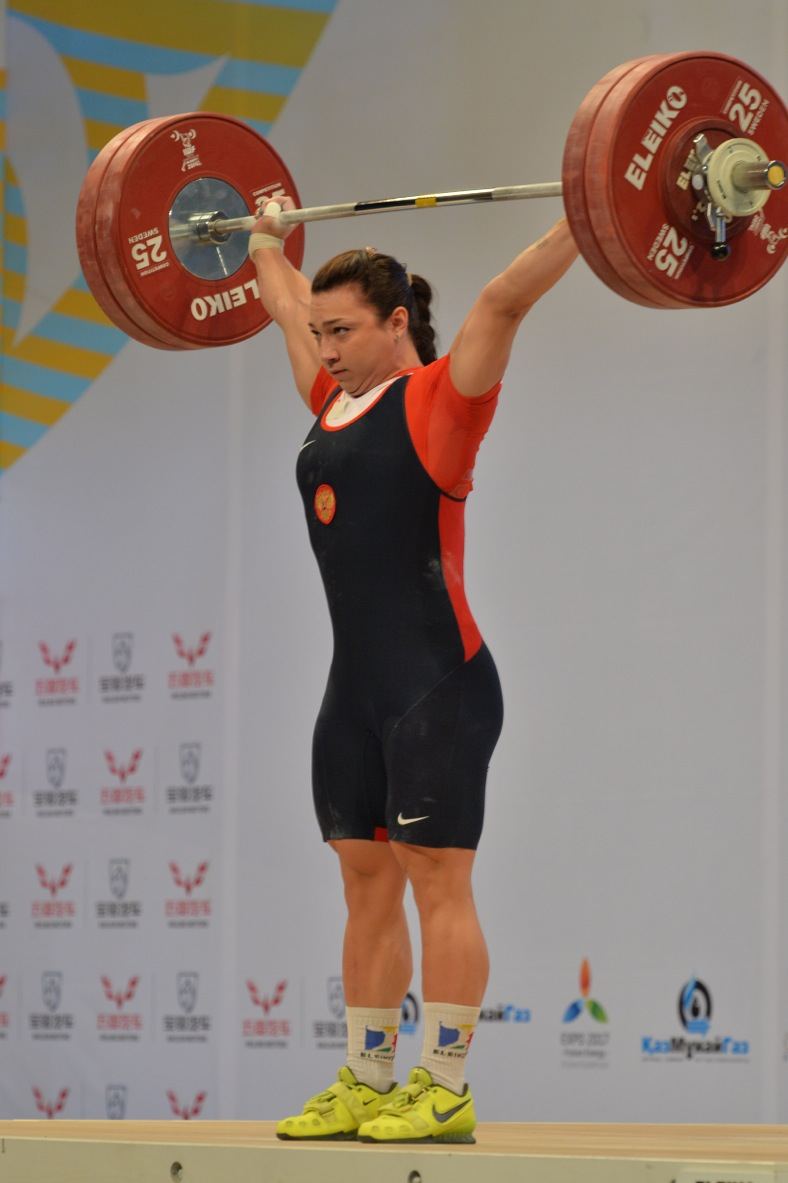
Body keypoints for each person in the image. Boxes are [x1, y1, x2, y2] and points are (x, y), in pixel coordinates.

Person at [248, 198, 577, 1144]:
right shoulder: (329, 400)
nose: (327, 348)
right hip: (353, 693)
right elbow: (282, 302)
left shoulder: (440, 399)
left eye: (343, 331)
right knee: (364, 882)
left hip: (439, 684)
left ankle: (445, 1083)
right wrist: (265, 240)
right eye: (322, 333)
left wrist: (588, 217)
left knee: (438, 880)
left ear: (396, 323)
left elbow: (504, 300)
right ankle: (367, 1076)